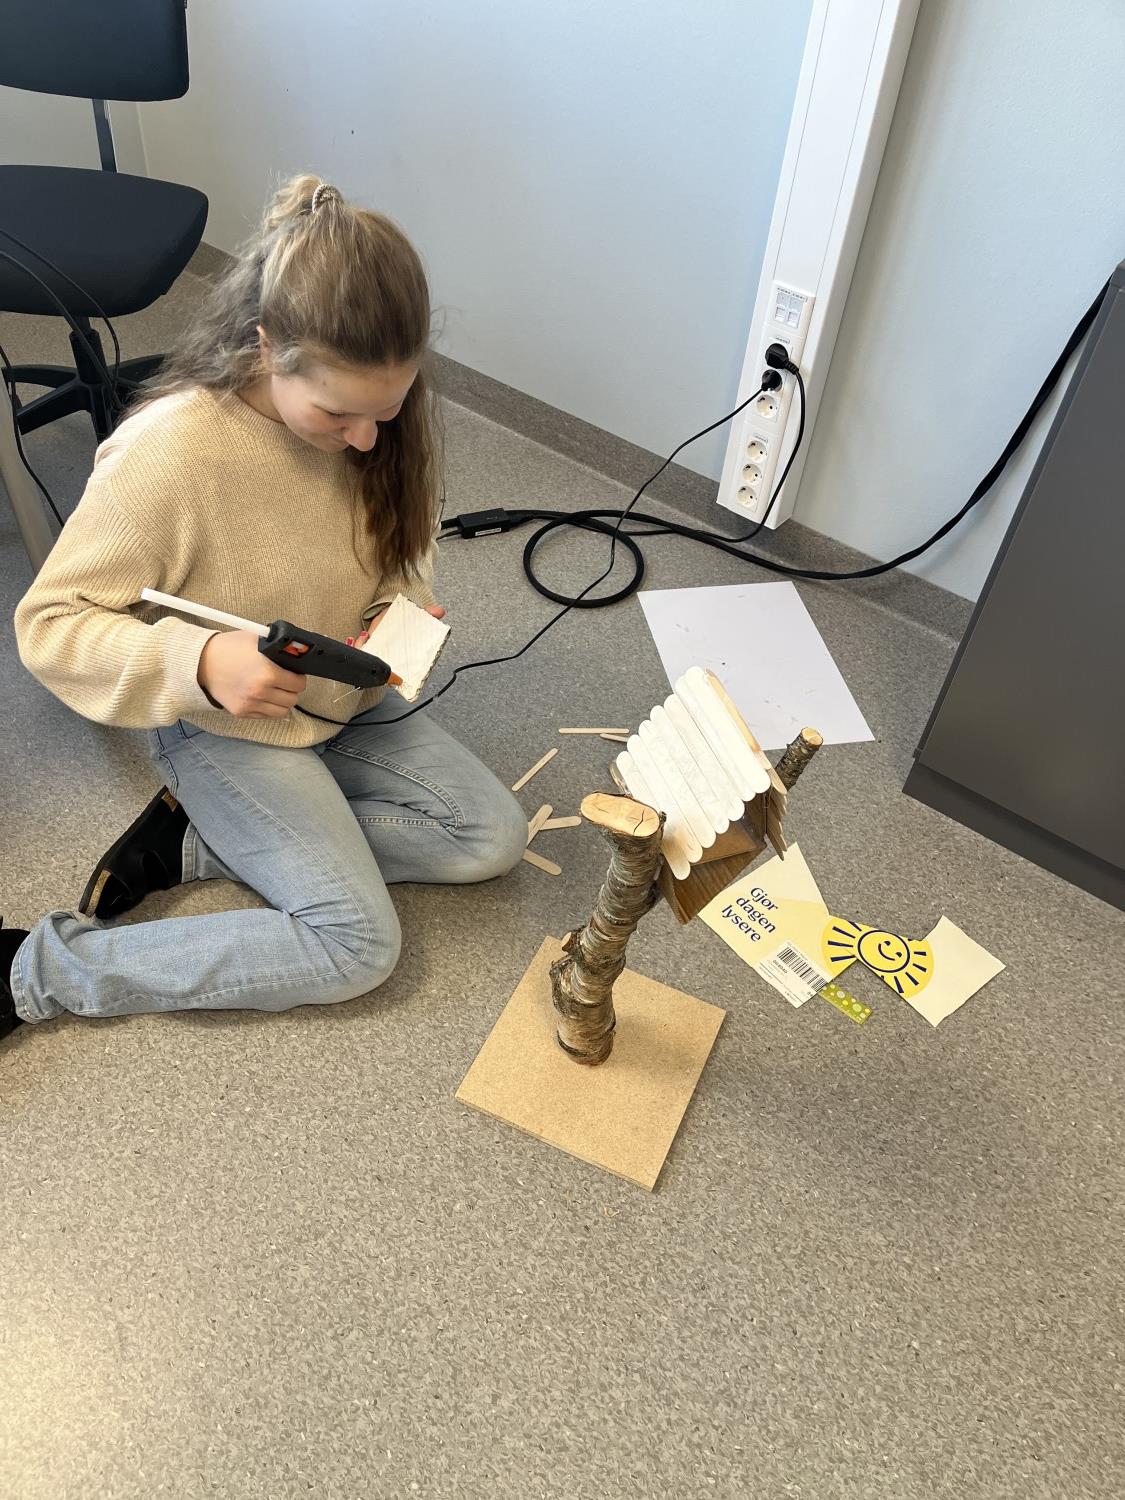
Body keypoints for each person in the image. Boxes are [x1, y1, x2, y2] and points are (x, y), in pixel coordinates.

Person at [1, 175, 527, 1040]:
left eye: (387, 410)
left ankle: (200, 843)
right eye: (337, 414)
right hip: (226, 720)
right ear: (266, 346)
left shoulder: (374, 419)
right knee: (355, 946)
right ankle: (38, 970)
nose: (366, 438)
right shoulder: (170, 453)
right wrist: (201, 663)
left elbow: (402, 552)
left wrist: (403, 607)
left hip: (345, 693)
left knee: (490, 840)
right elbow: (50, 628)